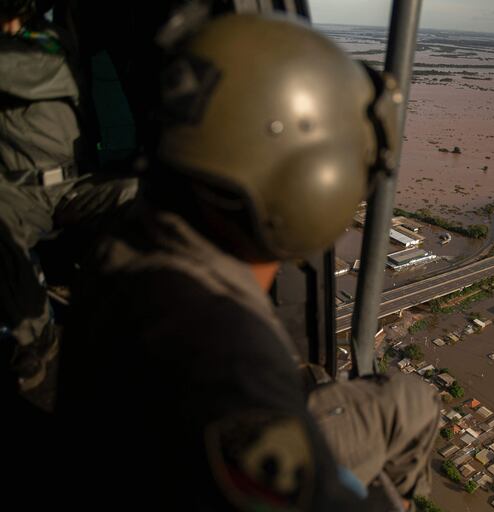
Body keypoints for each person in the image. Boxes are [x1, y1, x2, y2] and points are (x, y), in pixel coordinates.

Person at [56, 13, 439, 511]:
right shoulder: (232, 361)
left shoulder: (132, 230)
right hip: (166, 457)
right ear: (316, 185)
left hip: (125, 445)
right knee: (412, 401)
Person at [0, 0, 137, 393]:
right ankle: (36, 339)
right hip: (17, 192)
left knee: (139, 195)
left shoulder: (49, 42)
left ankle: (139, 316)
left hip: (74, 187)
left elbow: (20, 69)